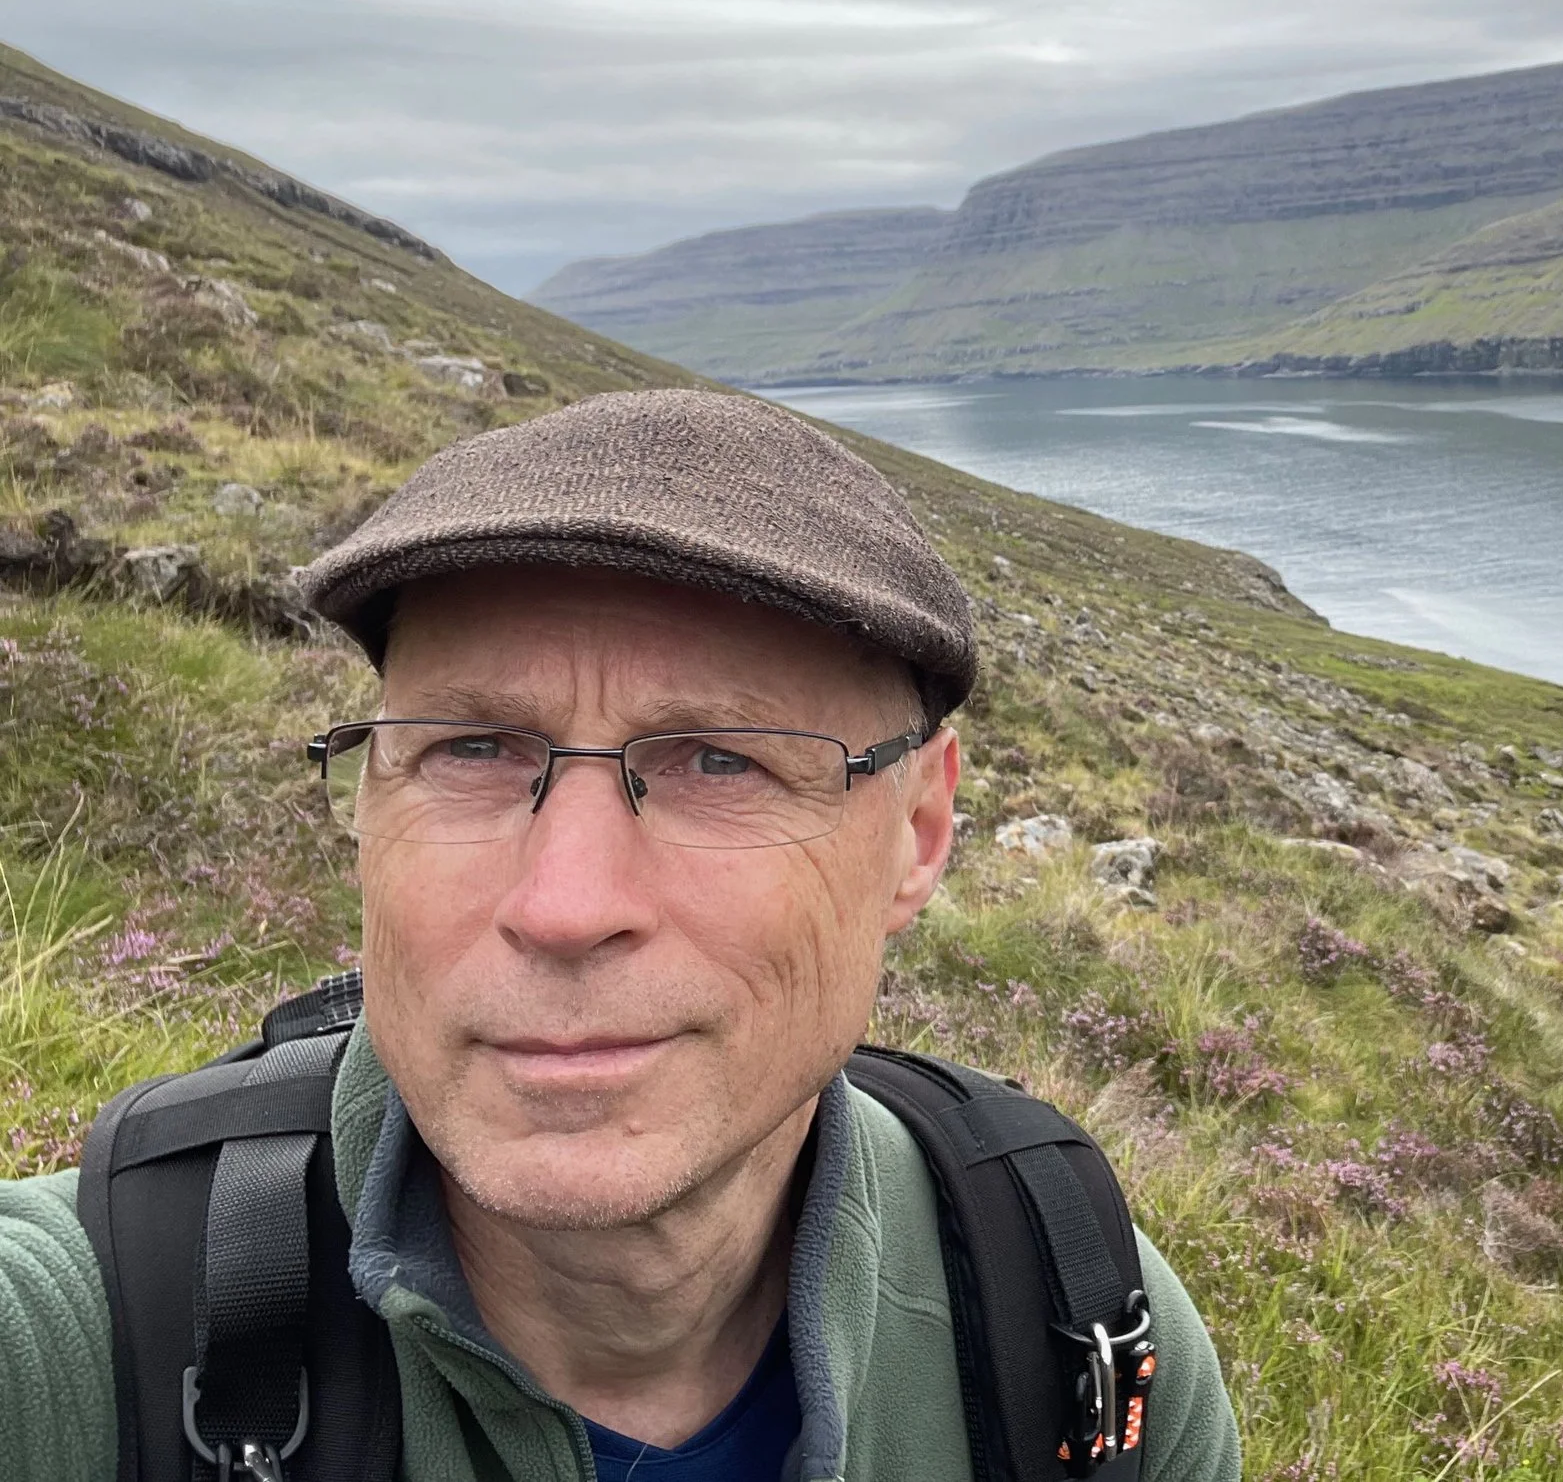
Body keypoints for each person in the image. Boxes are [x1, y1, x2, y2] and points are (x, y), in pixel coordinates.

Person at [0, 388, 1241, 1482]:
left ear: (916, 834)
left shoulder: (1074, 1319)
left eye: (718, 762)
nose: (564, 905)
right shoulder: (79, 1342)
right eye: (472, 751)